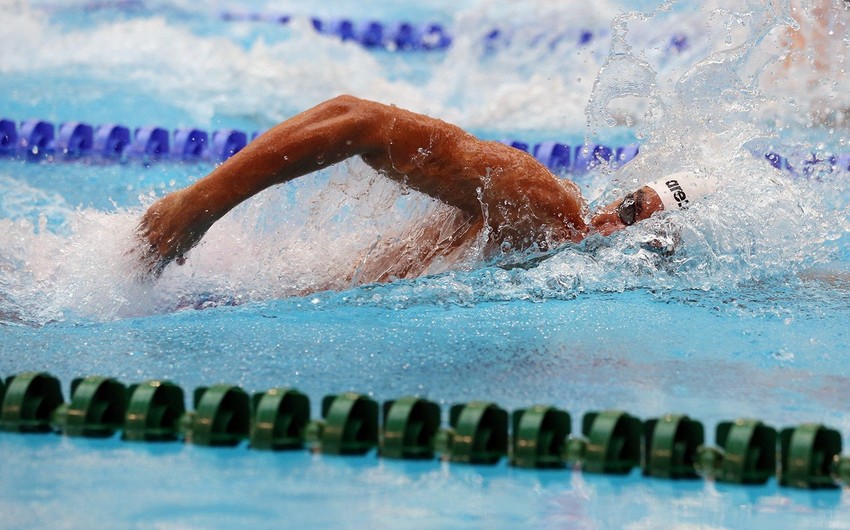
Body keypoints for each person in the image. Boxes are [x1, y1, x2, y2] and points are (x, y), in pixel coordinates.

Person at [137, 95, 712, 282]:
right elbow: (357, 117)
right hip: (191, 276)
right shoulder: (544, 206)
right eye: (633, 204)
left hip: (220, 289)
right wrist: (195, 208)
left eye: (642, 225)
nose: (620, 221)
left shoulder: (555, 258)